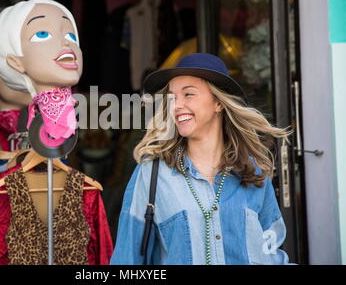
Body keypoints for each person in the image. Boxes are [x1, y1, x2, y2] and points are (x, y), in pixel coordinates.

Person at [110, 53, 293, 265]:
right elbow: (127, 260)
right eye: (172, 97)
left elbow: (272, 256)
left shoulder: (254, 173)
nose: (176, 105)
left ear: (218, 103)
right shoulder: (152, 174)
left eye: (188, 94)